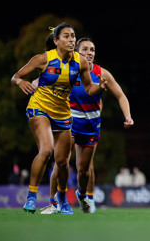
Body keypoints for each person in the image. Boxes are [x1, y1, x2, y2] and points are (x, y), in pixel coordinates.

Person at [11, 23, 107, 214]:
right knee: (46, 150)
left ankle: (61, 199)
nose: (72, 39)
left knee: (62, 162)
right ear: (56, 41)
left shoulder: (80, 62)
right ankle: (31, 197)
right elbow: (15, 76)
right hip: (39, 109)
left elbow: (89, 89)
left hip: (63, 114)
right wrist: (20, 81)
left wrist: (100, 87)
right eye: (66, 36)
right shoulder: (43, 59)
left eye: (73, 36)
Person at [40, 37, 134, 214]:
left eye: (92, 49)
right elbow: (46, 78)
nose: (89, 52)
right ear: (76, 51)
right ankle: (53, 203)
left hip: (91, 124)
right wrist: (33, 84)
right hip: (70, 121)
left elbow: (121, 95)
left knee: (84, 170)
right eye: (84, 49)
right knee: (61, 162)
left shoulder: (102, 74)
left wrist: (128, 116)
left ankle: (84, 196)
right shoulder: (67, 69)